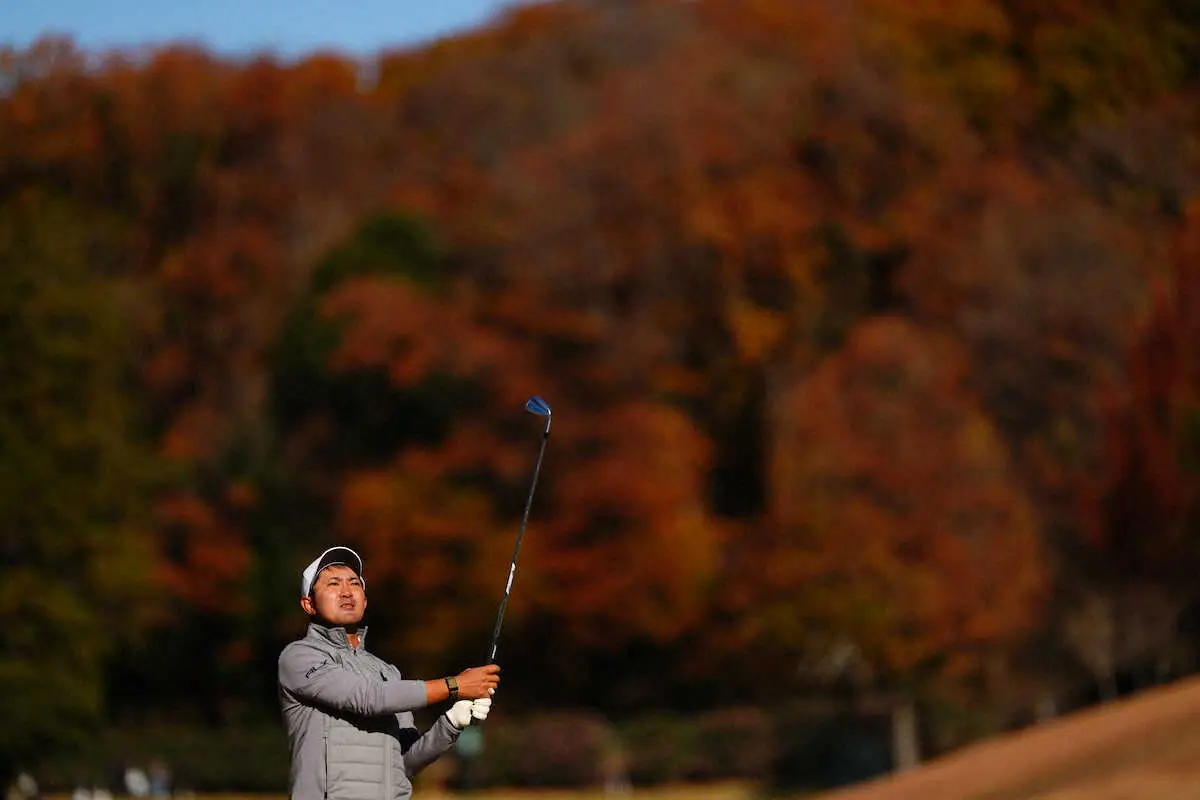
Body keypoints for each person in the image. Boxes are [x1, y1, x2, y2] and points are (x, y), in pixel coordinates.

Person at [278, 545, 501, 800]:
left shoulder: (386, 672)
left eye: (355, 583)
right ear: (308, 604)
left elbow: (406, 762)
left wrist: (451, 722)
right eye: (333, 584)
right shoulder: (299, 657)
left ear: (365, 599)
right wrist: (454, 685)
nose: (346, 592)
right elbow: (368, 698)